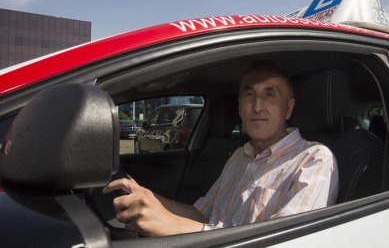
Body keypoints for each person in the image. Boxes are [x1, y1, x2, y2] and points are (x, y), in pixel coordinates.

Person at [103, 61, 339, 236]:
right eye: (249, 95)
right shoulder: (240, 155)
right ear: (239, 108)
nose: (257, 106)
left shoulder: (313, 159)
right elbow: (202, 212)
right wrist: (150, 198)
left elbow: (287, 242)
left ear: (288, 109)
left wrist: (172, 225)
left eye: (270, 94)